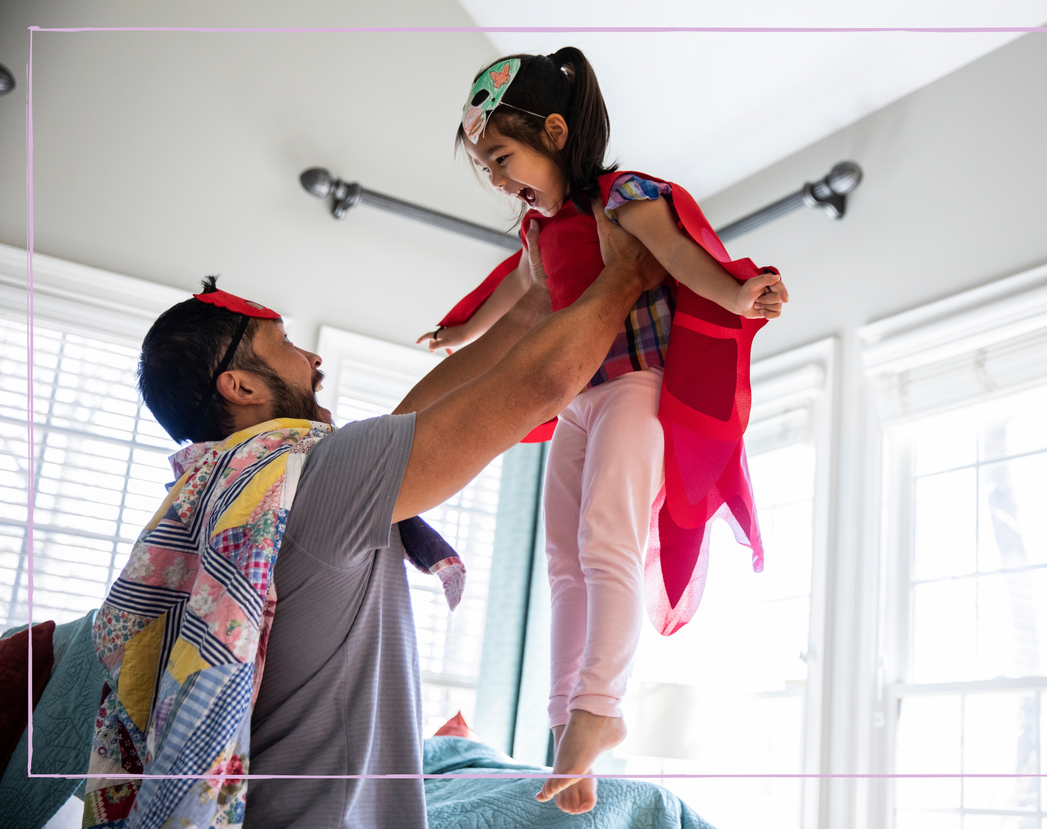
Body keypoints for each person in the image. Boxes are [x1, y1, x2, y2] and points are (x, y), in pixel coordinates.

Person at [80, 209, 668, 829]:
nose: (311, 359)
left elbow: (424, 413)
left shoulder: (239, 496)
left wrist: (537, 292)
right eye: (283, 344)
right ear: (241, 387)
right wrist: (626, 274)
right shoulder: (313, 476)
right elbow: (542, 383)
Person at [430, 48, 789, 814]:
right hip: (579, 397)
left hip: (636, 383)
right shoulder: (539, 228)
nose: (497, 178)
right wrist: (459, 334)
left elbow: (683, 257)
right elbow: (515, 292)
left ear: (555, 131)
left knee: (608, 540)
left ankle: (601, 704)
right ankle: (567, 724)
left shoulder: (621, 198)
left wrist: (741, 289)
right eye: (487, 166)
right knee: (562, 558)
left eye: (502, 157)